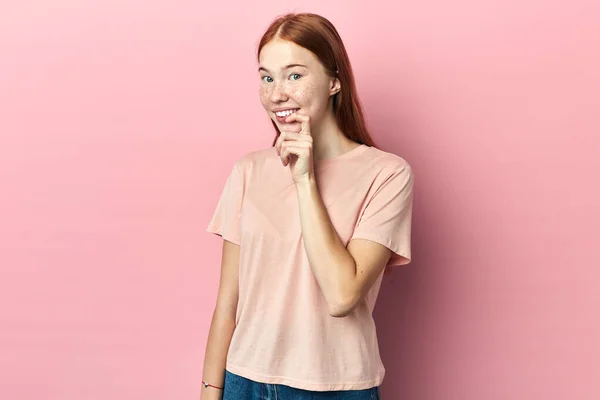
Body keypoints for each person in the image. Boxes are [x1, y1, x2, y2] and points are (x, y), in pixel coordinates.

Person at [201, 12, 414, 400]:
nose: (277, 93)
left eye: (294, 75)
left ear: (334, 82)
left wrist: (305, 182)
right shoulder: (249, 171)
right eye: (267, 77)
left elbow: (341, 295)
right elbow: (227, 304)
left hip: (332, 388)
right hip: (244, 381)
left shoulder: (386, 174)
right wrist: (210, 390)